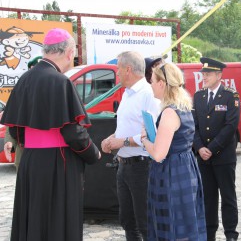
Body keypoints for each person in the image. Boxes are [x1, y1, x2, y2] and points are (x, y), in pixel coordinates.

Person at [0, 28, 101, 241]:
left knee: (33, 216)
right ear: (67, 52)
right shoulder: (60, 81)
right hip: (58, 163)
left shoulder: (24, 79)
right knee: (57, 220)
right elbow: (73, 132)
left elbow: (15, 129)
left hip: (30, 161)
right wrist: (93, 154)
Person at [141, 62, 206, 240]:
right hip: (184, 169)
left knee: (173, 224)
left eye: (152, 80)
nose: (150, 85)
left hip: (171, 173)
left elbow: (158, 154)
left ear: (162, 83)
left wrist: (144, 139)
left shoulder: (170, 113)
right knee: (184, 221)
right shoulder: (183, 107)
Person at [100, 51, 159, 241]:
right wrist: (111, 139)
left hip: (142, 166)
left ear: (128, 69)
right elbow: (125, 127)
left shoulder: (148, 94)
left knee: (145, 222)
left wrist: (122, 142)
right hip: (124, 165)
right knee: (127, 221)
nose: (116, 73)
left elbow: (152, 133)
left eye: (118, 68)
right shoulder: (127, 93)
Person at [192, 57, 240, 241]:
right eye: (203, 73)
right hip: (203, 157)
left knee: (228, 197)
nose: (204, 77)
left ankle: (231, 234)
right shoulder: (199, 96)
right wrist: (200, 148)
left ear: (219, 75)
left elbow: (230, 126)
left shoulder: (230, 95)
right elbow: (194, 126)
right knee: (208, 198)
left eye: (208, 73)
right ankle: (208, 234)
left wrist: (211, 148)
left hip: (223, 156)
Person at [3, 56, 42, 169]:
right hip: (24, 150)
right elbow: (11, 120)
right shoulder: (20, 91)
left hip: (47, 150)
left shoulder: (53, 89)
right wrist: (9, 141)